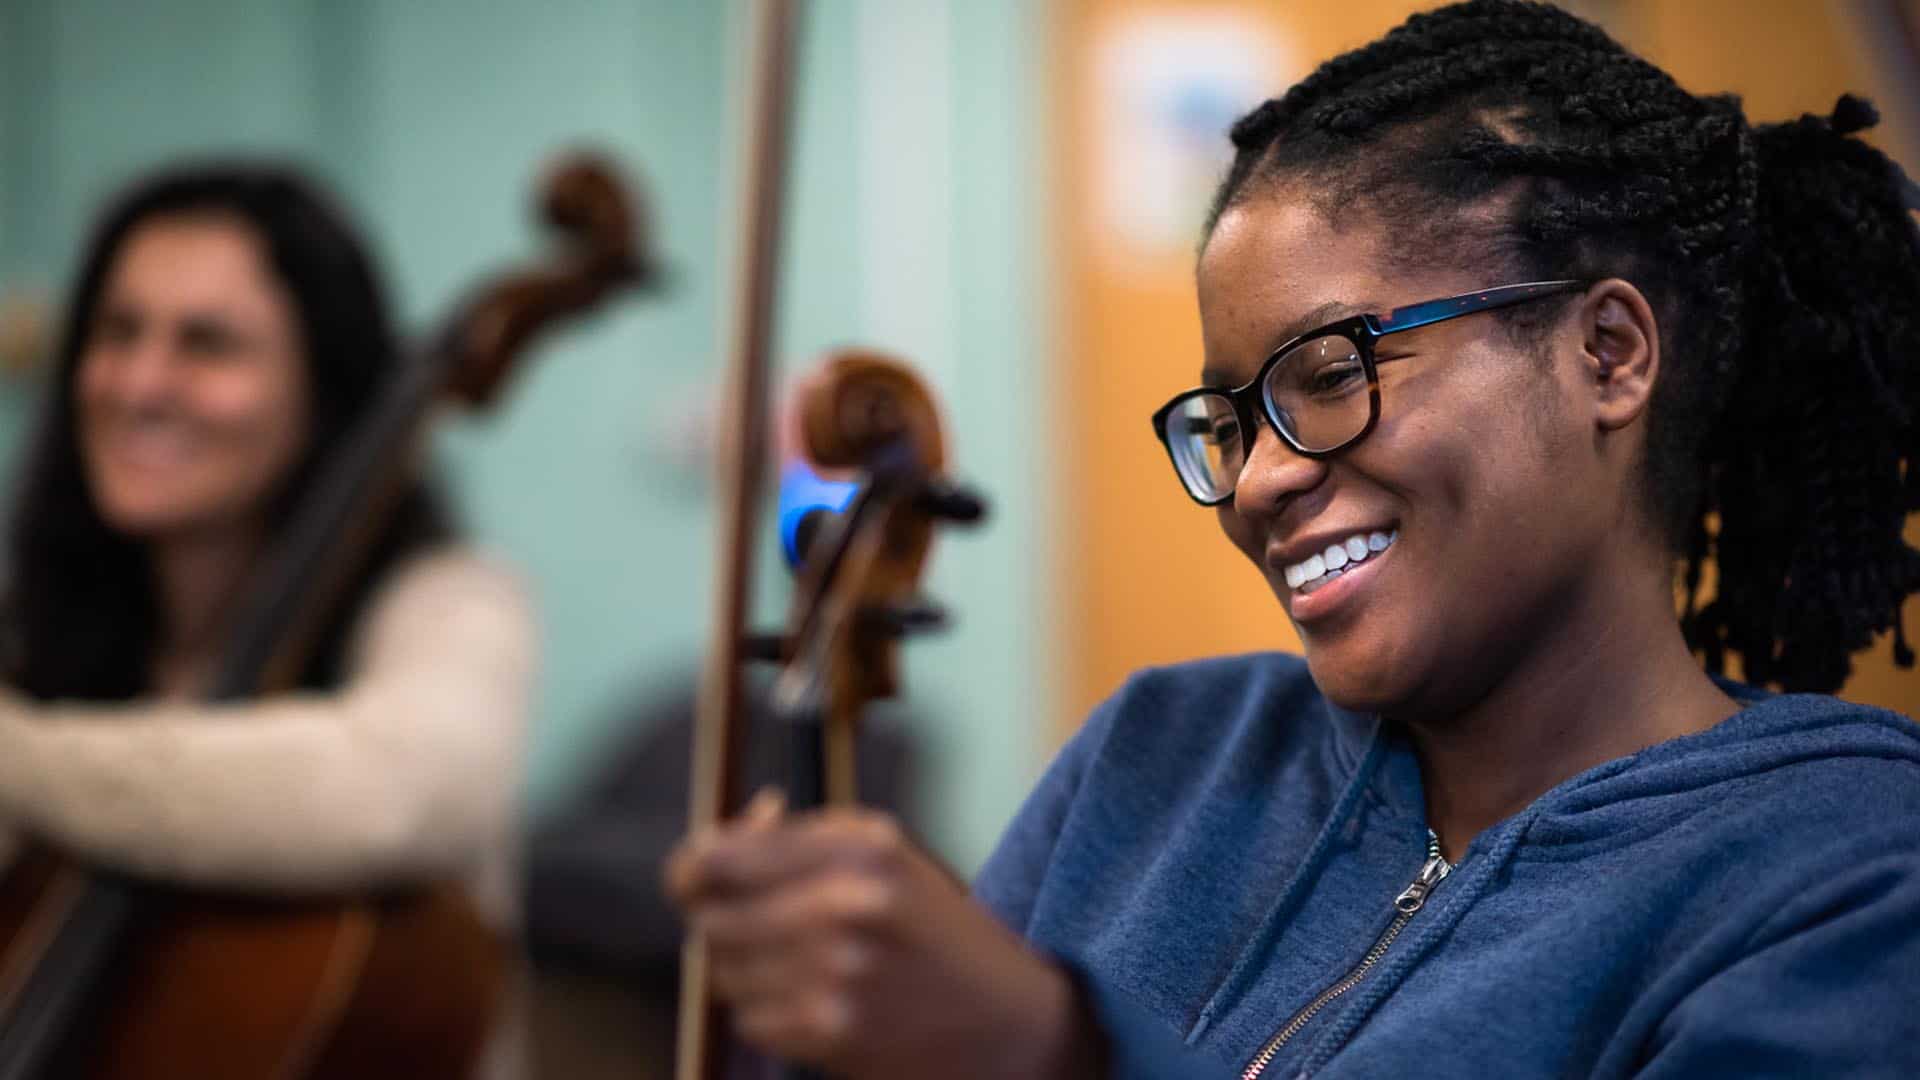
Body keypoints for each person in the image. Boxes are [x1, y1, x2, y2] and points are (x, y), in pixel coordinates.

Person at [667, 1, 1920, 1077]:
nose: (1260, 478)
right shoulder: (1158, 757)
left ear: (1608, 354)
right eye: (1226, 418)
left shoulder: (1848, 874)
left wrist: (1061, 1052)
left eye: (1332, 371)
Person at [0, 163, 532, 1077]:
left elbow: (393, 797)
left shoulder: (450, 602)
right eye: (116, 330)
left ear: (320, 388)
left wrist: (17, 762)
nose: (141, 382)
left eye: (207, 345)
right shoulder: (34, 623)